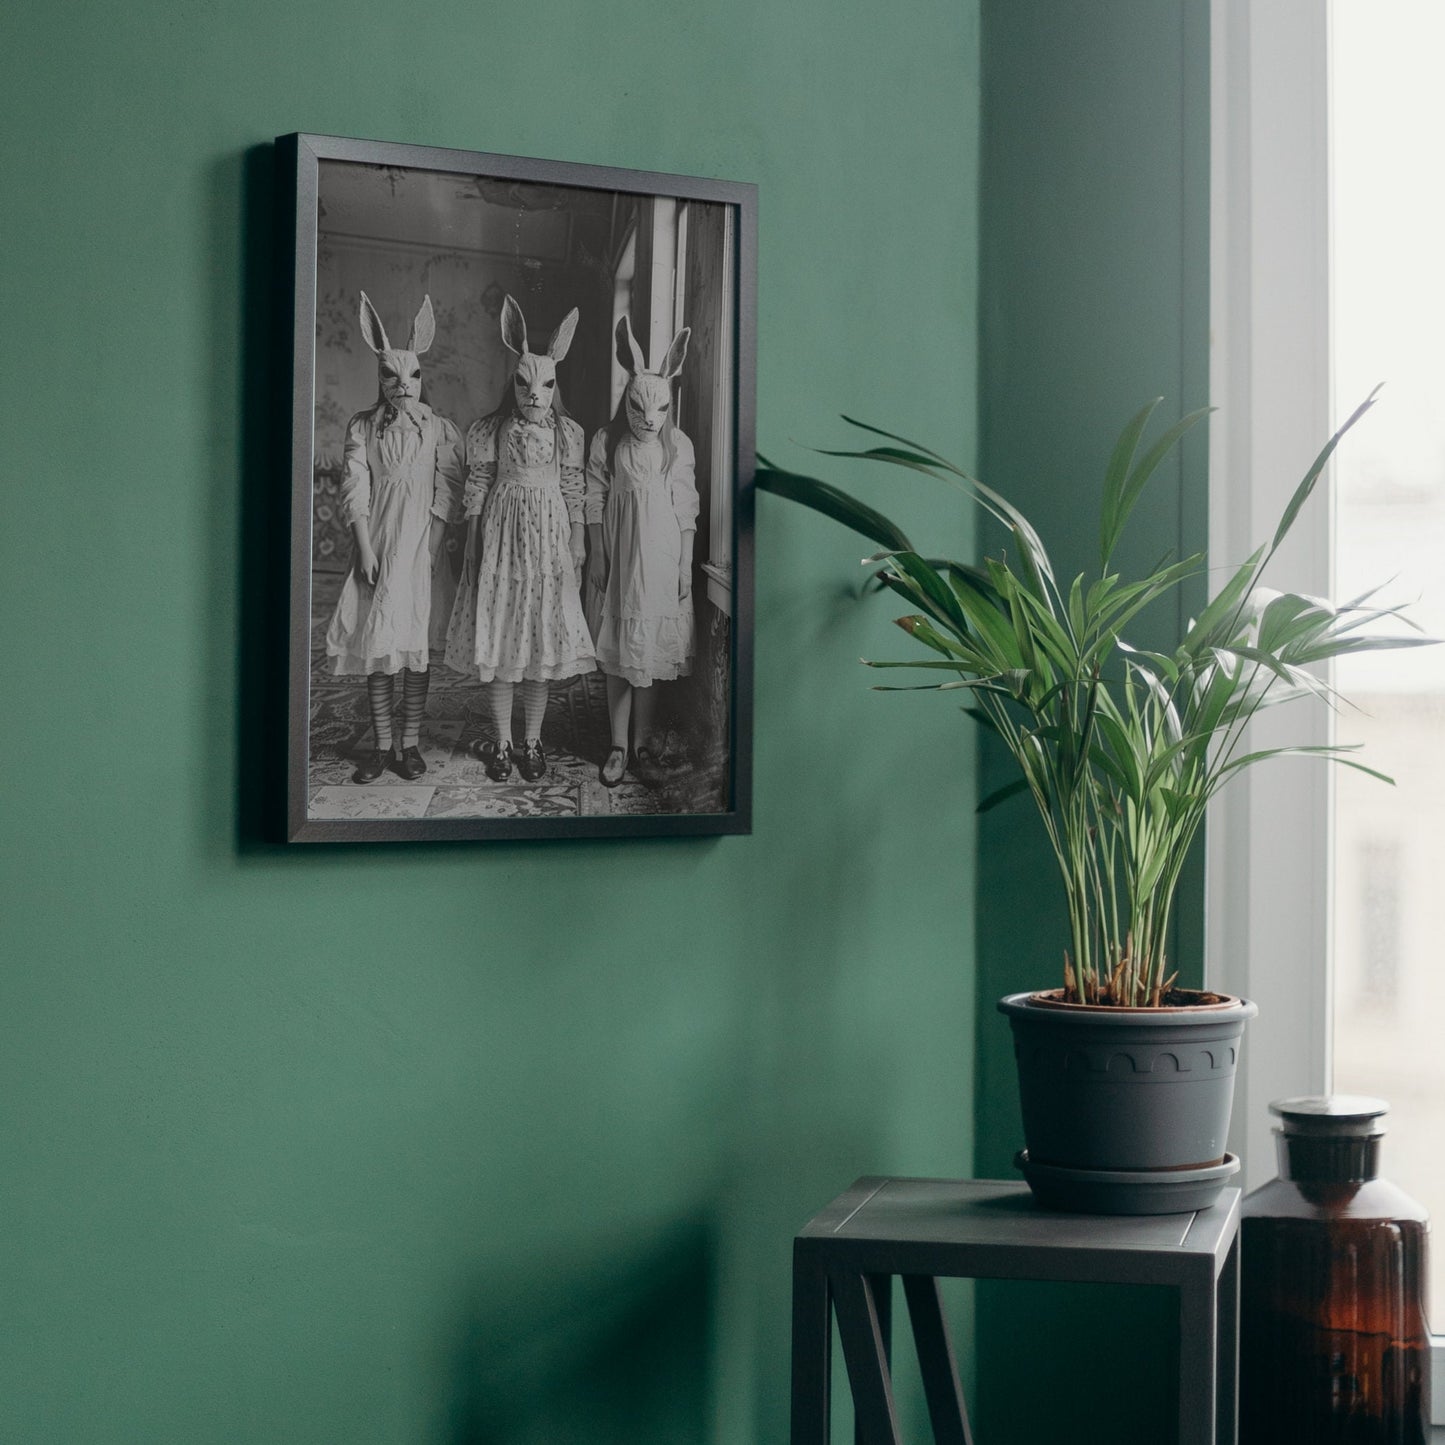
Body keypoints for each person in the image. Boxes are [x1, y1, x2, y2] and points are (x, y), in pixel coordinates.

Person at [443, 295, 595, 782]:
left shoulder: (568, 434)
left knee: (538, 641)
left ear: (556, 384)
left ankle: (533, 741)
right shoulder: (491, 430)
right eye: (526, 383)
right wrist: (472, 539)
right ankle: (503, 744)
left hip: (548, 536)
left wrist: (577, 539)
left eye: (546, 384)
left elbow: (574, 489)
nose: (535, 393)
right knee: (505, 637)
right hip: (502, 532)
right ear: (514, 381)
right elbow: (480, 483)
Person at [326, 292, 463, 783]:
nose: (403, 385)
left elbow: (448, 488)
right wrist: (364, 546)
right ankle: (382, 745)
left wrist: (433, 548)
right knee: (380, 648)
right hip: (379, 546)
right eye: (392, 375)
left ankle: (410, 743)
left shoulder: (438, 428)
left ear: (422, 377)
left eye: (412, 376)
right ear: (380, 376)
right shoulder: (363, 428)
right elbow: (354, 488)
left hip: (420, 549)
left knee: (415, 646)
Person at [584, 315, 698, 787]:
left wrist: (686, 565)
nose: (648, 419)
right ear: (626, 400)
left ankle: (642, 744)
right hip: (621, 557)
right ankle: (616, 745)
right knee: (619, 653)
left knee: (649, 653)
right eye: (638, 408)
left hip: (662, 558)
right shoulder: (608, 442)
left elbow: (686, 505)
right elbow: (593, 496)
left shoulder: (679, 446)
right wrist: (596, 551)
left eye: (659, 410)